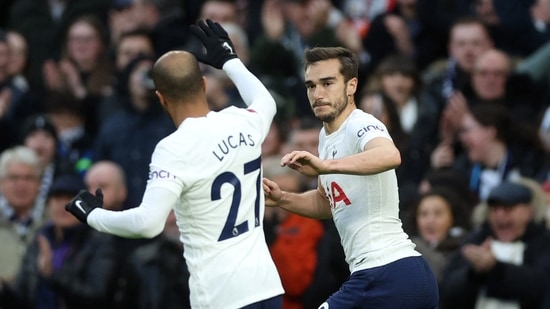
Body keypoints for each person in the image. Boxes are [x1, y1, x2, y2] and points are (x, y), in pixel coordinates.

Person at [65, 19, 283, 308]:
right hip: (266, 288)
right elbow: (266, 101)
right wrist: (229, 60)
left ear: (161, 98)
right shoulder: (243, 121)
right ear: (203, 84)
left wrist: (94, 215)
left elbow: (147, 224)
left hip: (221, 297)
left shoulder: (173, 149)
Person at [262, 46, 438, 308]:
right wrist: (282, 199)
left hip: (386, 272)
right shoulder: (327, 137)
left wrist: (326, 166)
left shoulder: (360, 123)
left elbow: (390, 155)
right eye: (311, 86)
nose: (317, 94)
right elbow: (327, 203)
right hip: (396, 275)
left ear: (351, 85)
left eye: (328, 83)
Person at [0, 173, 116, 308]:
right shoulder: (40, 239)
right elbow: (22, 298)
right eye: (57, 198)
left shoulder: (99, 241)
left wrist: (52, 275)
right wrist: (3, 290)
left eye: (69, 198)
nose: (63, 205)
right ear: (48, 204)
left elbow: (97, 296)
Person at [439, 180, 550, 309]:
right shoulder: (476, 240)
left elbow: (541, 287)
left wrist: (496, 268)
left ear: (528, 211)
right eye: (495, 209)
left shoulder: (543, 242)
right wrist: (474, 273)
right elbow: (447, 293)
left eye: (508, 209)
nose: (500, 215)